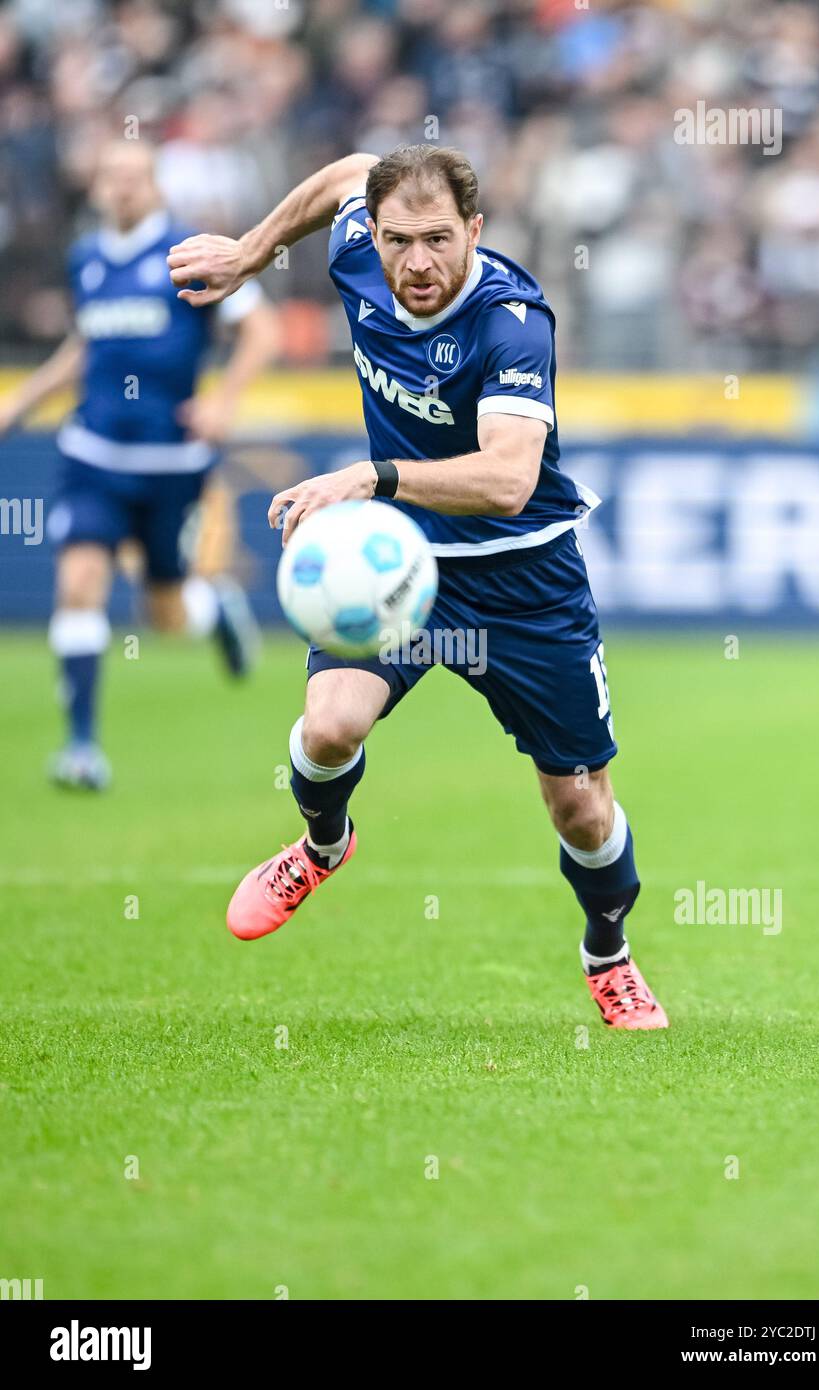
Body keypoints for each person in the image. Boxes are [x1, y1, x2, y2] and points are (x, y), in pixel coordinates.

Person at [167, 145, 667, 1029]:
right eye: (401, 240)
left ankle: (609, 954)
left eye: (440, 240)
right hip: (401, 560)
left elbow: (509, 478)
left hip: (523, 578)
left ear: (474, 230)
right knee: (328, 727)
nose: (419, 263)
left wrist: (368, 478)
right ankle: (323, 846)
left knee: (583, 809)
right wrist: (250, 251)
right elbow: (338, 179)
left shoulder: (512, 321)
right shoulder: (361, 243)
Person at [0, 139, 280, 789]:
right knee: (80, 581)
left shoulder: (190, 253)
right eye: (112, 178)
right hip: (93, 453)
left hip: (171, 459)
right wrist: (21, 404)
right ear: (97, 188)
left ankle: (215, 609)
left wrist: (224, 402)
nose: (123, 189)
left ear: (155, 186)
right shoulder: (87, 258)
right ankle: (81, 748)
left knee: (165, 614)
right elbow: (86, 346)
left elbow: (260, 330)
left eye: (134, 178)